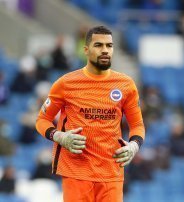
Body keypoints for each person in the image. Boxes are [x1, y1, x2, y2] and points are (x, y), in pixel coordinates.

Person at [35, 25, 145, 202]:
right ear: (86, 50)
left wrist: (134, 146)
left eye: (109, 46)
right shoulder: (66, 83)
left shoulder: (126, 85)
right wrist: (59, 136)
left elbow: (137, 125)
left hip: (111, 173)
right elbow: (42, 120)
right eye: (98, 45)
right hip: (76, 171)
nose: (105, 50)